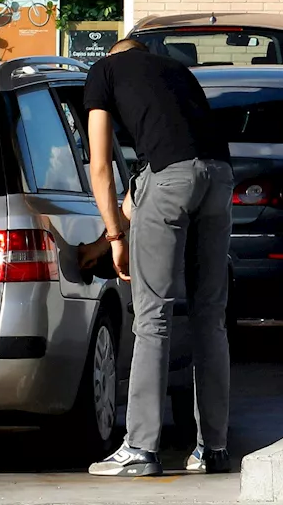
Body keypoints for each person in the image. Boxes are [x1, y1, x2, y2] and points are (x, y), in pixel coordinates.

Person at [82, 37, 235, 477]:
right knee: (210, 317)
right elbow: (146, 183)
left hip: (170, 181)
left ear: (113, 53)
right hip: (219, 178)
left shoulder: (104, 72)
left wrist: (114, 238)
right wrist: (106, 238)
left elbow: (100, 166)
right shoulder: (178, 73)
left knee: (152, 317)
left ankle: (141, 449)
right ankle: (214, 448)